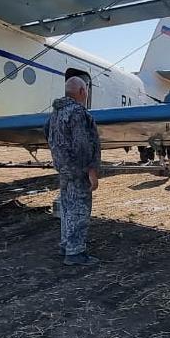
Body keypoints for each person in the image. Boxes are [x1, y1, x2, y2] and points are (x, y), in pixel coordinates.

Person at [46, 77, 101, 266]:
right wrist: (91, 170)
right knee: (79, 210)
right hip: (78, 170)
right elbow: (83, 144)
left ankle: (66, 245)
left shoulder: (56, 113)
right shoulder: (78, 113)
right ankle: (76, 252)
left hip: (63, 169)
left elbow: (48, 135)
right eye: (85, 90)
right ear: (81, 92)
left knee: (67, 209)